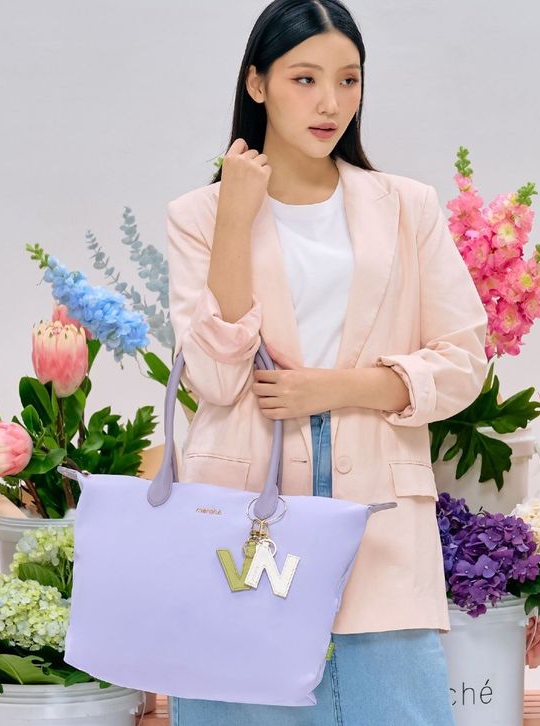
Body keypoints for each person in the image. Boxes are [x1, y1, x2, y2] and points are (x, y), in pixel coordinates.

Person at [164, 1, 488, 723]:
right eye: (305, 79)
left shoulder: (407, 207)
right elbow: (215, 378)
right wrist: (234, 219)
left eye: (349, 79)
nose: (331, 103)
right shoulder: (199, 215)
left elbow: (465, 360)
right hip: (242, 524)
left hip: (378, 523)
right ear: (257, 84)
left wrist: (339, 388)